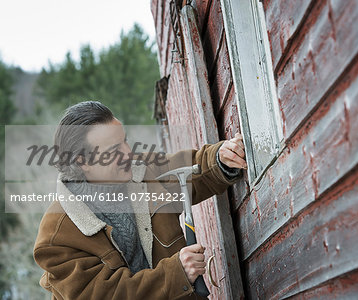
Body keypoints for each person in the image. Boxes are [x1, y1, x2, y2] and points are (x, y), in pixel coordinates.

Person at [33, 101, 247, 299]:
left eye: (124, 141)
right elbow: (105, 295)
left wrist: (222, 159)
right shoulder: (56, 237)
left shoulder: (141, 172)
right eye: (114, 150)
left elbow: (192, 170)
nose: (128, 153)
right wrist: (176, 274)